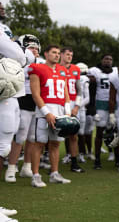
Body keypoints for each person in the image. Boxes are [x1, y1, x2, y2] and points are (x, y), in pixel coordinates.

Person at [29, 44, 72, 187]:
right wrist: (46, 113)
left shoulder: (62, 70)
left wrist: (67, 111)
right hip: (44, 111)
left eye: (58, 53)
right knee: (39, 143)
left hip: (60, 112)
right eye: (54, 52)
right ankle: (35, 175)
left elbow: (65, 93)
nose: (57, 55)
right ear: (46, 54)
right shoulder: (37, 68)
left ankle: (54, 173)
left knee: (55, 144)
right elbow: (35, 94)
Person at [0, 1, 27, 221]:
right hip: (4, 98)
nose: (2, 5)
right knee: (1, 147)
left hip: (9, 95)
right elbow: (19, 56)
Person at [5, 34, 41, 183]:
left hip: (37, 101)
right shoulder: (17, 61)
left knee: (32, 137)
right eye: (31, 47)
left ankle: (27, 166)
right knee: (20, 136)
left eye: (36, 48)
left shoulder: (42, 63)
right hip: (23, 99)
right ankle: (11, 167)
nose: (34, 51)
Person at [87, 54, 117, 169]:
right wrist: (92, 109)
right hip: (100, 103)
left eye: (110, 59)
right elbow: (91, 90)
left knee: (116, 132)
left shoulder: (115, 71)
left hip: (114, 104)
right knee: (99, 132)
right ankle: (97, 159)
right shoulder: (95, 71)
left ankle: (118, 158)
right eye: (106, 59)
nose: (108, 61)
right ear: (101, 60)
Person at [59, 47, 85, 173]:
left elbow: (79, 90)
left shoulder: (76, 69)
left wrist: (77, 106)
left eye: (71, 55)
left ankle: (74, 163)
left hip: (73, 102)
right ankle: (49, 161)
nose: (69, 57)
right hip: (59, 102)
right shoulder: (56, 67)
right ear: (61, 55)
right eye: (67, 54)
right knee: (55, 134)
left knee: (73, 134)